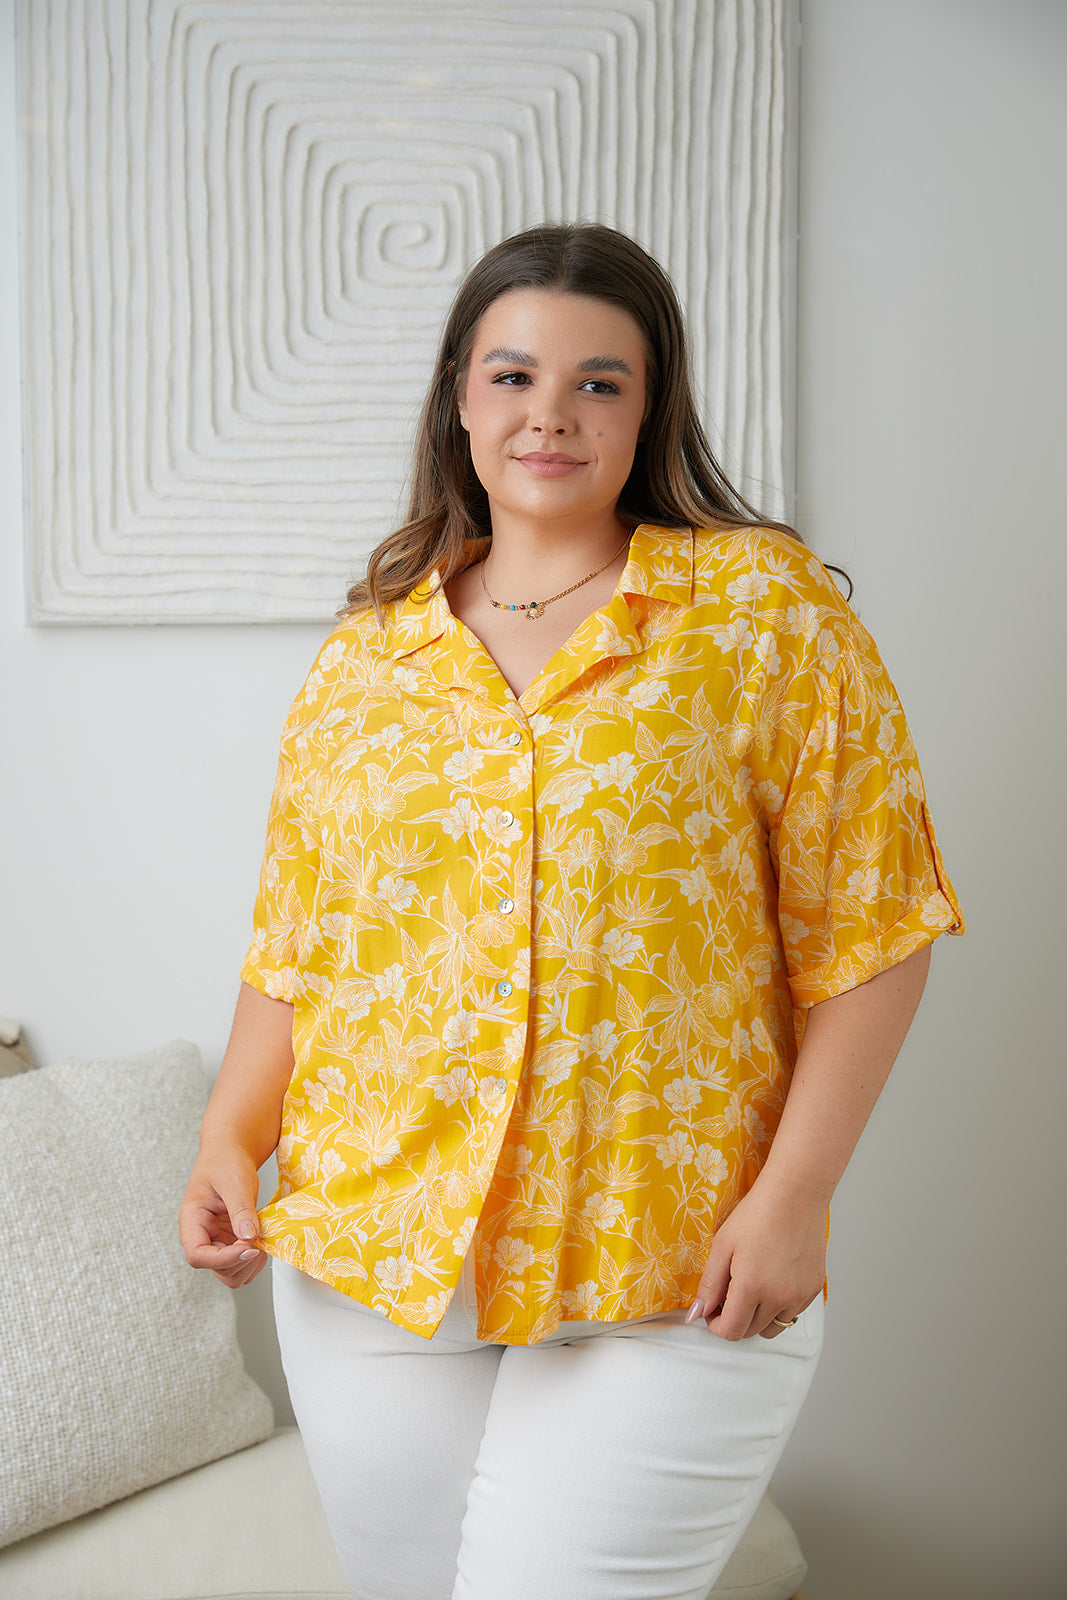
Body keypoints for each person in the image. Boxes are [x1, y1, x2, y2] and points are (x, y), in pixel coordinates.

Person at [179, 222, 964, 1600]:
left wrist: (797, 1200)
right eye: (514, 376)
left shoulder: (763, 616)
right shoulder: (365, 660)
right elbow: (299, 950)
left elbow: (875, 927)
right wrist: (228, 1137)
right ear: (458, 398)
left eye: (600, 382)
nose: (551, 413)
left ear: (650, 409)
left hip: (674, 1257)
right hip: (374, 1257)